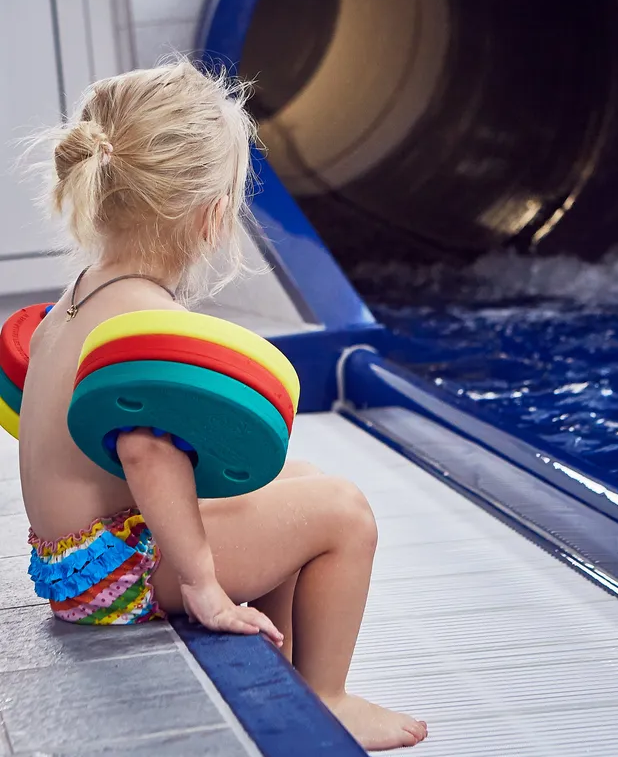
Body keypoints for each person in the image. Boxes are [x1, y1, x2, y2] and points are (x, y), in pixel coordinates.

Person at [19, 59, 427, 752]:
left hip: (75, 561)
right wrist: (205, 589)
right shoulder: (145, 320)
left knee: (294, 484)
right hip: (122, 570)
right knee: (342, 511)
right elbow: (146, 452)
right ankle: (326, 698)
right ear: (212, 217)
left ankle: (280, 661)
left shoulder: (85, 292)